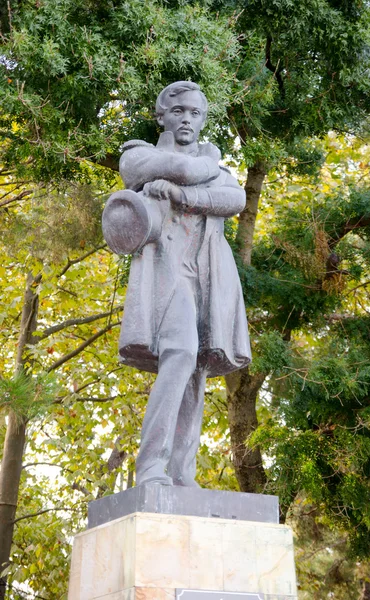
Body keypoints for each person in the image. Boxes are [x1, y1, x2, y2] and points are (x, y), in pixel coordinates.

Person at [102, 81, 251, 487]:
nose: (188, 119)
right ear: (161, 115)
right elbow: (184, 170)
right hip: (167, 271)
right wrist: (207, 168)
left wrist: (182, 196)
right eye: (179, 111)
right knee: (181, 353)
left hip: (208, 274)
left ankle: (182, 474)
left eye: (196, 113)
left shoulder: (216, 169)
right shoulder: (139, 154)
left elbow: (234, 201)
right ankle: (150, 466)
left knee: (197, 366)